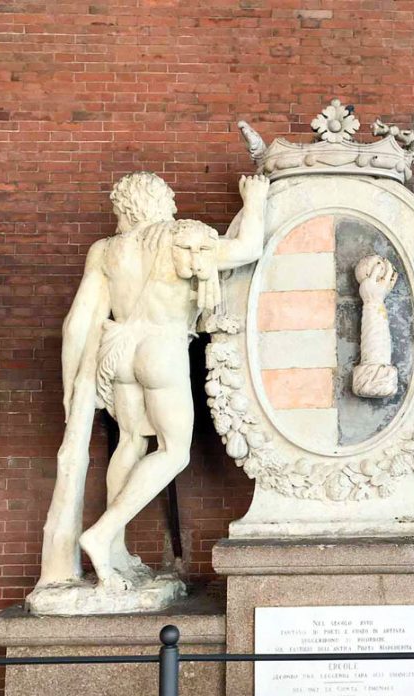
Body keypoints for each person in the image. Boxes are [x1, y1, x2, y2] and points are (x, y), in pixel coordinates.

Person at [38, 171, 269, 590]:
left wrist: (71, 387)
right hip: (159, 350)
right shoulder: (181, 237)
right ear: (161, 202)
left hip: (117, 349)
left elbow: (76, 324)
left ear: (126, 208)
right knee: (174, 450)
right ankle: (104, 533)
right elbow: (248, 248)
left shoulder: (105, 250)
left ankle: (118, 550)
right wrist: (254, 201)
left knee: (130, 441)